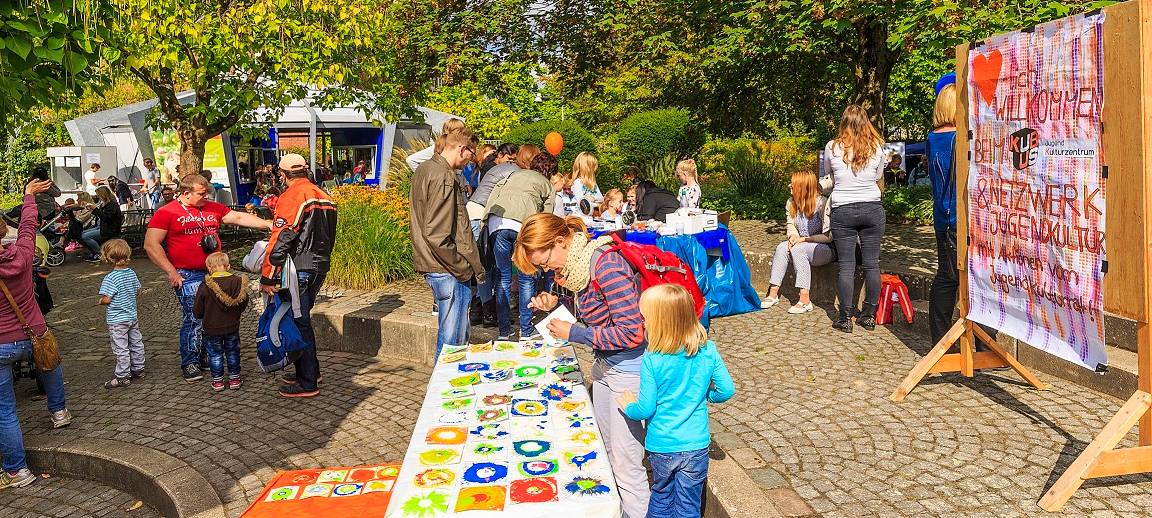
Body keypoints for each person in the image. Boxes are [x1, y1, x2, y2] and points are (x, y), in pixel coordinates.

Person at [517, 213, 649, 518]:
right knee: (606, 452)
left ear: (561, 242)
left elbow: (632, 332)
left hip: (628, 371)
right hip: (605, 366)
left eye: (545, 261)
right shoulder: (578, 269)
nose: (547, 270)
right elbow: (598, 311)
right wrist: (556, 307)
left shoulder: (605, 264)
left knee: (627, 465)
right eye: (541, 267)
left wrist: (573, 332)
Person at [619, 284, 735, 518]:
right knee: (689, 505)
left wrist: (629, 407)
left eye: (645, 318)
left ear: (660, 322)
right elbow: (726, 390)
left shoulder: (653, 359)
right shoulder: (708, 350)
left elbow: (646, 408)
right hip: (696, 446)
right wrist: (706, 396)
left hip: (662, 446)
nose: (642, 323)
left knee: (661, 496)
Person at [144, 175, 272, 383]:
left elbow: (238, 218)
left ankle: (205, 355)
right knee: (194, 318)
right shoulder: (166, 212)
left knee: (213, 317)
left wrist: (267, 224)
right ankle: (190, 361)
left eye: (207, 193)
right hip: (187, 273)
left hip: (215, 273)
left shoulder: (213, 207)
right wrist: (171, 271)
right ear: (186, 193)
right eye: (201, 194)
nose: (207, 196)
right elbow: (151, 244)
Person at [0, 178, 71, 491]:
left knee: (5, 409)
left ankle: (17, 470)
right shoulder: (23, 253)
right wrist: (29, 196)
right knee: (50, 366)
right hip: (34, 330)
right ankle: (59, 411)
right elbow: (29, 224)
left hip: (1, 344)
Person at [260, 154, 338, 398]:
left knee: (298, 321)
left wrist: (267, 276)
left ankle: (308, 381)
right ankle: (310, 371)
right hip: (318, 266)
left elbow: (282, 237)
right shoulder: (323, 194)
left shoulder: (292, 196)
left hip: (298, 268)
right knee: (301, 319)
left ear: (283, 175)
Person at [411, 130, 484, 355]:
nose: (471, 160)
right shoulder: (443, 175)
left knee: (451, 339)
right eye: (471, 154)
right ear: (461, 148)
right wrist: (462, 267)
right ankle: (443, 389)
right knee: (453, 344)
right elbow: (436, 233)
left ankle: (445, 386)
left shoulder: (425, 169)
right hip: (447, 268)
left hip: (437, 265)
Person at [822, 105, 887, 333]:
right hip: (872, 207)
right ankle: (869, 315)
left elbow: (827, 174)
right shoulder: (878, 146)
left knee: (846, 265)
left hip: (843, 209)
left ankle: (845, 317)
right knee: (872, 264)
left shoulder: (832, 147)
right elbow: (878, 176)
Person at [483, 152, 557, 340]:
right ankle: (526, 330)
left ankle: (504, 332)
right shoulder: (547, 184)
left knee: (503, 278)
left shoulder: (514, 174)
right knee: (526, 278)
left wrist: (486, 220)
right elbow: (545, 217)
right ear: (550, 171)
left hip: (497, 223)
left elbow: (495, 193)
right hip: (522, 225)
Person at [761, 171, 833, 314]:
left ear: (803, 186)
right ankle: (773, 293)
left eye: (793, 184)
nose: (789, 186)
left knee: (799, 249)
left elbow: (828, 236)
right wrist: (793, 237)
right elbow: (791, 226)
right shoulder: (791, 203)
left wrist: (805, 240)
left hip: (824, 248)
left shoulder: (822, 203)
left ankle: (805, 300)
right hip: (801, 244)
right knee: (782, 247)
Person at [467, 143, 520, 326]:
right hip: (479, 215)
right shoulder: (511, 171)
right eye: (510, 157)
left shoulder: (494, 168)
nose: (511, 161)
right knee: (484, 267)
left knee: (485, 267)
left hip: (476, 212)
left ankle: (480, 310)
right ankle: (487, 312)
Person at [194, 252, 249, 392]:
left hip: (212, 327)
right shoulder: (238, 282)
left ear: (209, 268)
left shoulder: (205, 285)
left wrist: (199, 314)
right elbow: (243, 301)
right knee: (233, 352)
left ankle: (218, 381)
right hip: (232, 326)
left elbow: (198, 308)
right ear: (228, 266)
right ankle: (234, 379)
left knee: (215, 354)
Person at [98, 239, 145, 389]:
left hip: (117, 320)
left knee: (121, 347)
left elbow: (107, 299)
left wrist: (101, 301)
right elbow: (137, 290)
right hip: (132, 316)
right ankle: (138, 368)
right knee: (136, 342)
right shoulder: (131, 273)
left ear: (108, 258)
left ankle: (123, 375)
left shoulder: (110, 278)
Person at [81, 186, 123, 263]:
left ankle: (100, 254)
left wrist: (95, 209)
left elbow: (106, 218)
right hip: (103, 226)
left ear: (103, 195)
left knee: (85, 236)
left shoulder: (112, 205)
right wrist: (92, 209)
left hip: (110, 229)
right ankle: (94, 252)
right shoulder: (105, 204)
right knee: (83, 233)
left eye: (98, 195)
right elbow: (101, 215)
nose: (98, 197)